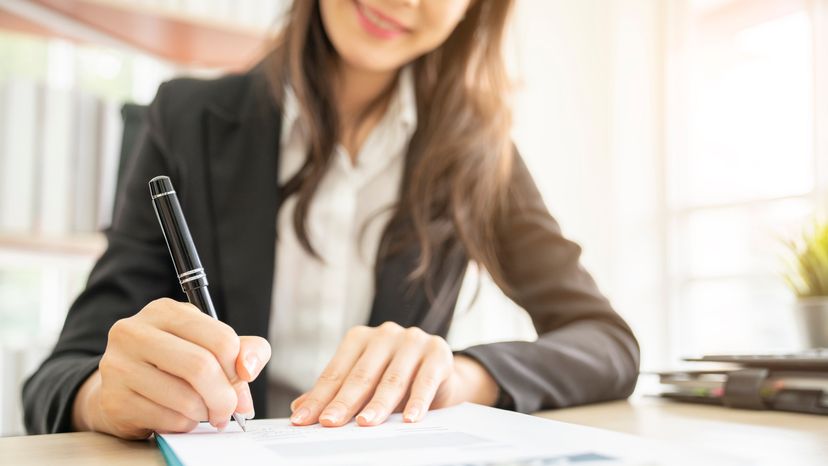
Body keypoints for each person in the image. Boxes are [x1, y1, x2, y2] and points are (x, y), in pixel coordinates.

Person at [23, 0, 639, 439]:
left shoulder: (479, 153)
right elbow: (58, 378)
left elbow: (606, 343)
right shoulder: (187, 119)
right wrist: (106, 397)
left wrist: (461, 376)